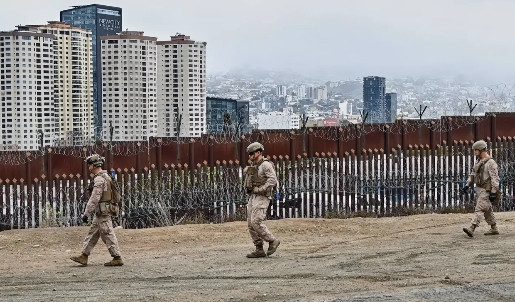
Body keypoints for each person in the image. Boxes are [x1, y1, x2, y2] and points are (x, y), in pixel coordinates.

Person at [70, 154, 124, 266]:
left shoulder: (99, 179)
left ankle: (117, 257)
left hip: (103, 211)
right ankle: (84, 255)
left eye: (89, 165)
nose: (88, 167)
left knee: (107, 233)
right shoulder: (105, 176)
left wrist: (86, 214)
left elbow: (94, 198)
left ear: (93, 166)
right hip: (101, 211)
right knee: (93, 233)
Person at [243, 142, 281, 258]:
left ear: (258, 152)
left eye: (251, 154)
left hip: (263, 196)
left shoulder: (265, 165)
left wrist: (260, 189)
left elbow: (273, 180)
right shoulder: (254, 165)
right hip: (253, 196)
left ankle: (272, 240)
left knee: (256, 221)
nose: (249, 156)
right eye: (249, 154)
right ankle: (259, 248)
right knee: (250, 224)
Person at [462, 140, 500, 237]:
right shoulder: (480, 162)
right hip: (479, 189)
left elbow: (495, 178)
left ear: (481, 150)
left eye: (476, 150)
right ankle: (494, 228)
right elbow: (473, 174)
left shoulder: (491, 163)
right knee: (487, 210)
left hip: (486, 191)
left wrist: (493, 192)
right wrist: (467, 185)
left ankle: (472, 227)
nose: (475, 152)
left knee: (479, 209)